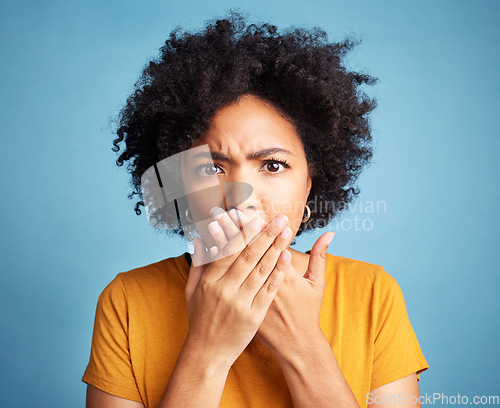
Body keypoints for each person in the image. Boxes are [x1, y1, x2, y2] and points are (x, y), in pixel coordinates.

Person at [82, 10, 429, 408]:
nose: (239, 196)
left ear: (310, 184)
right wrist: (208, 348)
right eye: (210, 167)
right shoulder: (128, 299)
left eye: (272, 165)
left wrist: (301, 342)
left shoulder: (371, 294)